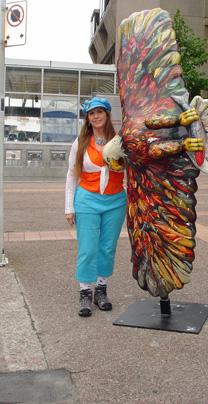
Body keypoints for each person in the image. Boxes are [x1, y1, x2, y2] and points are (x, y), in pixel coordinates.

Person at [65, 97, 127, 317]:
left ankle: (101, 290)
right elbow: (72, 176)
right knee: (88, 248)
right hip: (87, 200)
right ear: (88, 118)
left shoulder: (120, 141)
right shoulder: (80, 142)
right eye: (92, 113)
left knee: (107, 247)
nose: (96, 116)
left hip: (116, 201)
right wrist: (68, 207)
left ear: (107, 115)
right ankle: (85, 292)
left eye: (100, 112)